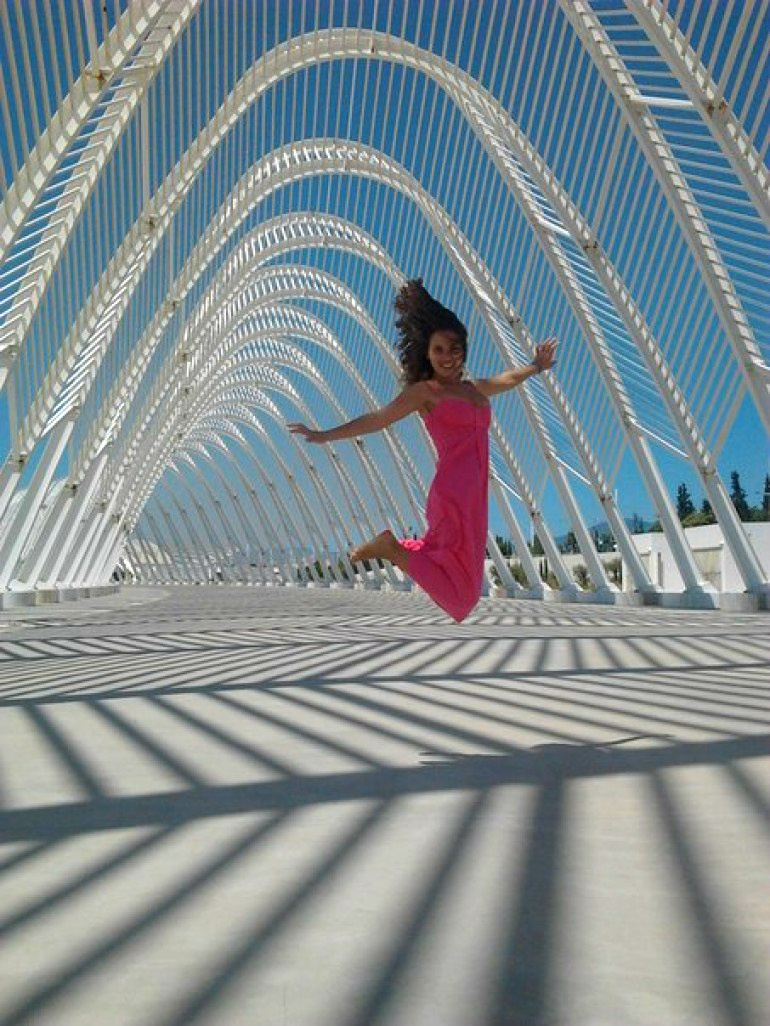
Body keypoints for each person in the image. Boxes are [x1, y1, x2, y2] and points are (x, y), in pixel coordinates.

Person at [288, 278, 557, 621]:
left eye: (455, 348)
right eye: (439, 349)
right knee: (460, 601)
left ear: (464, 350)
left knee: (464, 582)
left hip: (475, 496)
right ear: (427, 354)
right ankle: (391, 549)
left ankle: (396, 548)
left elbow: (507, 380)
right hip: (452, 492)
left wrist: (536, 366)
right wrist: (324, 435)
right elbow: (379, 418)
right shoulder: (425, 393)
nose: (448, 357)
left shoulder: (474, 390)